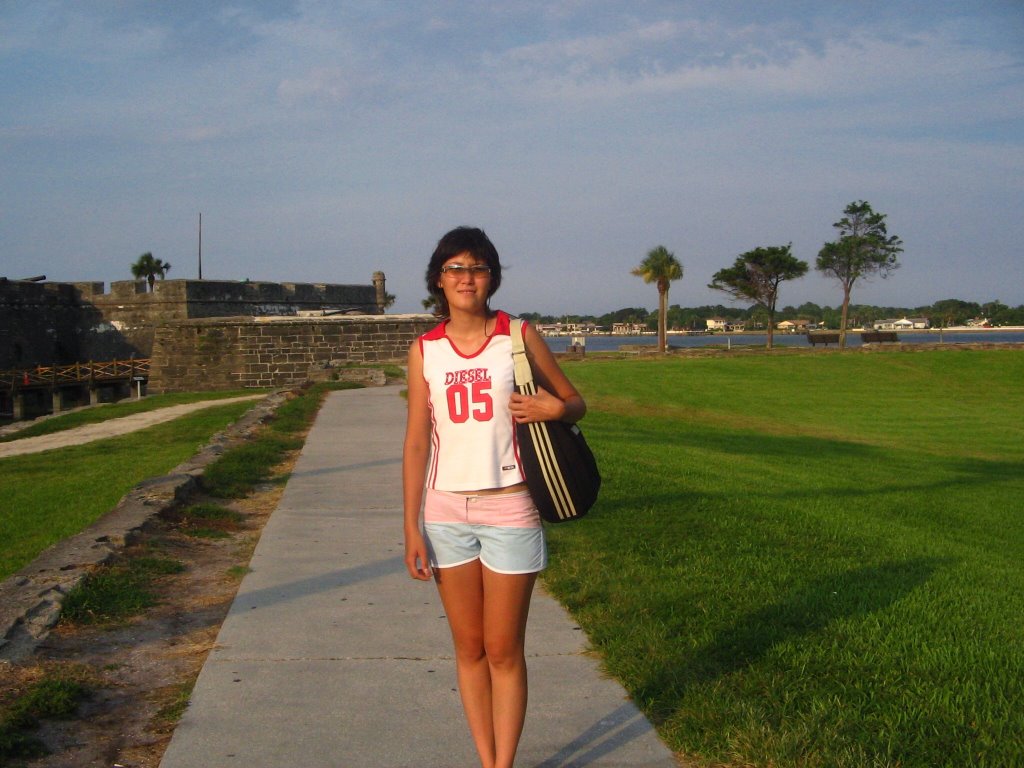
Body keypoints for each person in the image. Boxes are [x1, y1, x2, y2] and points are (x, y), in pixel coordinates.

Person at [403, 226, 586, 768]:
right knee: (468, 649)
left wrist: (556, 409)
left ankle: (504, 763)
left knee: (504, 650)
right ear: (439, 278)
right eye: (456, 268)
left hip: (510, 506)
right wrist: (411, 525)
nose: (467, 278)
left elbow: (574, 402)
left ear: (492, 278)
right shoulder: (424, 350)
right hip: (444, 512)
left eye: (478, 268)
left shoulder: (517, 335)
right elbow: (416, 440)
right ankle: (487, 761)